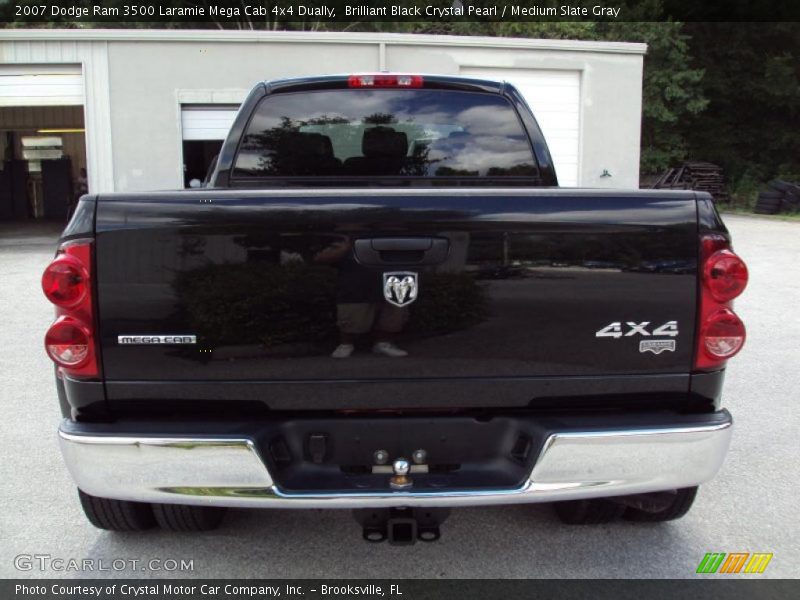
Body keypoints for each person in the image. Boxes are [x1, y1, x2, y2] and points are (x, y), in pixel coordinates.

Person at [314, 236, 409, 359]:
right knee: (350, 318)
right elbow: (321, 259)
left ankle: (384, 344)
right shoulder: (346, 240)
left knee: (392, 316)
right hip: (355, 287)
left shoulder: (394, 237)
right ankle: (346, 345)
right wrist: (348, 246)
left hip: (392, 283)